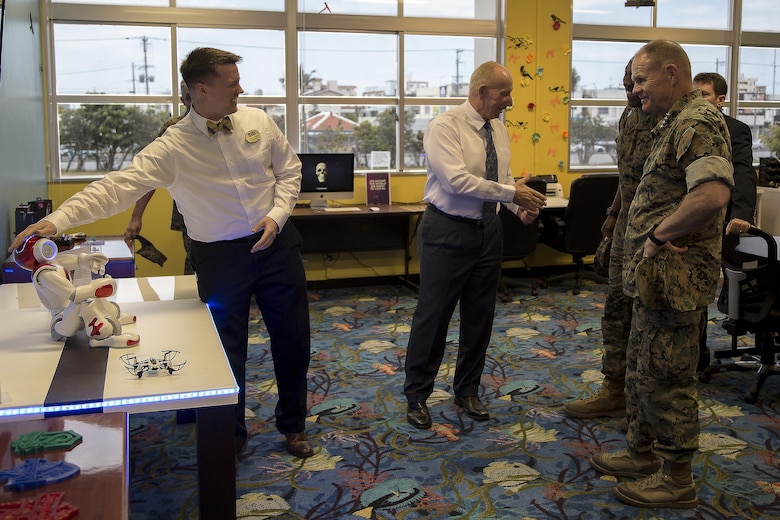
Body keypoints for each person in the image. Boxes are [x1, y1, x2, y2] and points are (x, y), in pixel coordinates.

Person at [9, 47, 314, 460]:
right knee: (227, 350)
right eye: (231, 83)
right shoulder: (172, 146)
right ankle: (230, 435)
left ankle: (293, 424)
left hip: (277, 245)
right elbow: (116, 187)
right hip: (220, 259)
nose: (240, 89)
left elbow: (290, 171)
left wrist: (277, 216)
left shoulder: (257, 120)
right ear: (201, 89)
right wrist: (55, 221)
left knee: (294, 338)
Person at [588, 40, 734, 509]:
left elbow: (712, 193)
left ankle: (676, 477)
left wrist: (655, 236)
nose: (635, 89)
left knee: (667, 374)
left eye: (642, 80)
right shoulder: (671, 120)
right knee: (643, 367)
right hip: (653, 277)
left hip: (675, 275)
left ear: (672, 73)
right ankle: (643, 453)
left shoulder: (698, 121)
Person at [403, 61, 547, 429]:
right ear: (482, 91)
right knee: (434, 316)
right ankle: (417, 394)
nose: (509, 102)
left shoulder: (498, 129)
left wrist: (517, 207)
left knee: (480, 317)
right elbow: (455, 182)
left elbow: (501, 178)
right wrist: (511, 192)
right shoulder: (444, 126)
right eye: (504, 94)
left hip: (488, 230)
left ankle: (467, 390)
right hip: (447, 231)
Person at [563, 58, 660, 420]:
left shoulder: (668, 119)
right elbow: (626, 173)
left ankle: (644, 400)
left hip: (655, 230)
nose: (630, 91)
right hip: (626, 226)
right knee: (615, 309)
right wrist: (613, 212)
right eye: (625, 84)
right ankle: (614, 388)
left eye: (635, 83)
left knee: (649, 315)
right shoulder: (629, 116)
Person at [692, 72, 757, 371]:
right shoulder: (685, 125)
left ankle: (748, 336)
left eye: (703, 94)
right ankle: (698, 354)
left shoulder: (736, 130)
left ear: (720, 100)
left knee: (737, 287)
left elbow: (743, 173)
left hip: (727, 220)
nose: (697, 100)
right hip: (692, 220)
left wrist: (742, 214)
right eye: (694, 94)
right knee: (694, 290)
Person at [124, 81, 194, 275]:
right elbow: (150, 175)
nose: (193, 104)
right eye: (189, 99)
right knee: (196, 261)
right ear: (182, 100)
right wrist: (136, 217)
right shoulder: (173, 129)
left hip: (226, 213)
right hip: (188, 212)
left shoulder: (224, 126)